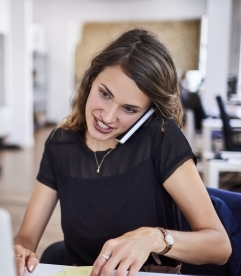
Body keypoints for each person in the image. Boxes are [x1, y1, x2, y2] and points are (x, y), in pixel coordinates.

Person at [13, 28, 231, 276]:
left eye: (129, 109)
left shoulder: (161, 138)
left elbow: (220, 247)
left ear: (149, 111)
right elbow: (27, 235)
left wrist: (154, 238)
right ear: (90, 80)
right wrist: (20, 249)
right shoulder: (60, 143)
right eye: (104, 94)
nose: (107, 117)